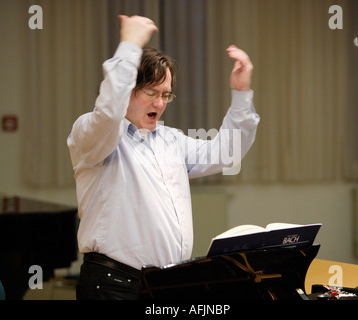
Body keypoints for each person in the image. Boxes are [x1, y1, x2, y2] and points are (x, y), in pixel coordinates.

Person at [67, 15, 260, 300]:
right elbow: (108, 112)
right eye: (151, 93)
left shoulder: (170, 140)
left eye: (166, 95)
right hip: (113, 285)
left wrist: (241, 94)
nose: (159, 103)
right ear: (128, 91)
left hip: (165, 284)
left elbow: (227, 153)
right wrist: (130, 45)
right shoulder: (93, 133)